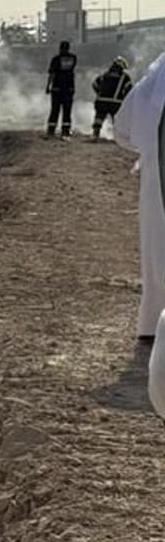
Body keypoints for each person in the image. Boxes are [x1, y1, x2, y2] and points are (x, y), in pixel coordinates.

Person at [115, 52, 165, 346]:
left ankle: (153, 322)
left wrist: (148, 147)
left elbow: (122, 131)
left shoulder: (149, 86)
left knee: (156, 250)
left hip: (155, 180)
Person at [92, 56, 135, 141]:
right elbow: (129, 90)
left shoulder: (105, 75)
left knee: (99, 118)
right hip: (116, 103)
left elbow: (95, 84)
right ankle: (117, 138)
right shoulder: (125, 77)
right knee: (117, 121)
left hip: (101, 101)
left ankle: (95, 135)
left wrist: (99, 94)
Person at [46, 41, 79, 138]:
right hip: (69, 88)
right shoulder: (73, 58)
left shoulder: (56, 59)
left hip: (57, 88)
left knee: (55, 110)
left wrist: (48, 86)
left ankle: (51, 131)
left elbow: (52, 74)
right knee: (67, 110)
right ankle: (65, 131)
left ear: (60, 48)